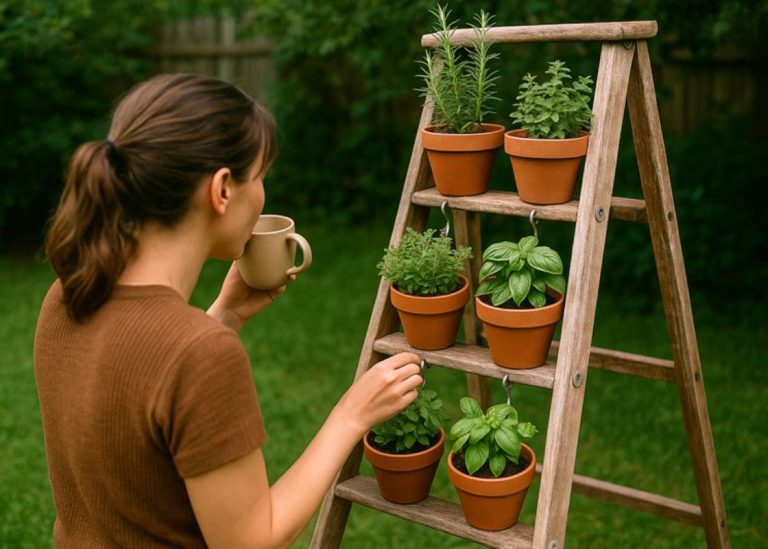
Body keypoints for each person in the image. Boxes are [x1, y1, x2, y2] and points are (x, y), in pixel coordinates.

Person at [33, 73, 422, 548]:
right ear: (221, 190)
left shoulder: (66, 295)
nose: (262, 193)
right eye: (259, 177)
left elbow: (138, 406)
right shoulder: (200, 354)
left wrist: (225, 315)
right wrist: (350, 416)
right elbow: (251, 540)